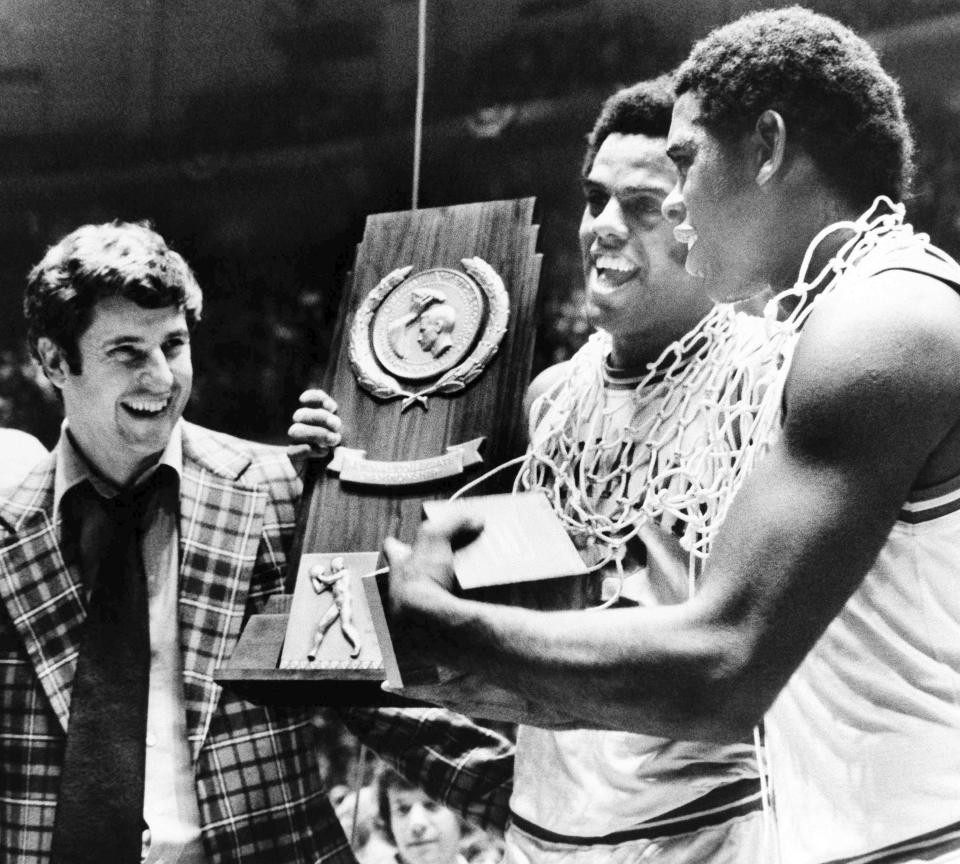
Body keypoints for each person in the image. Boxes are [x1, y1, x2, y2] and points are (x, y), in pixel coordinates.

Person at [382, 9, 960, 864]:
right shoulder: (844, 320)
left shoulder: (882, 324)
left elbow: (719, 668)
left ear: (764, 148)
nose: (676, 201)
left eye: (682, 164)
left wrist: (447, 627)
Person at [0, 220, 513, 864]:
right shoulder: (6, 529)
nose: (161, 378)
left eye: (174, 344)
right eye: (127, 352)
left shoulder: (277, 491)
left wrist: (562, 816)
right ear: (53, 361)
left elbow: (385, 703)